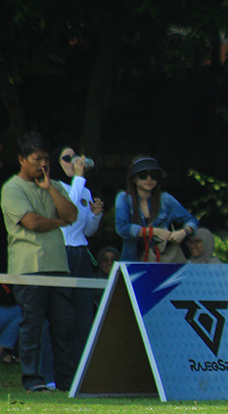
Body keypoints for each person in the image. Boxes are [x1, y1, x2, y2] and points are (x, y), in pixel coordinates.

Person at [0, 131, 78, 392]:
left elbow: (72, 215)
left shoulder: (52, 185)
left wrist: (50, 190)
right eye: (37, 159)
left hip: (58, 265)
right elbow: (31, 222)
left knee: (64, 326)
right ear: (22, 159)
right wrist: (59, 222)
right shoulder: (12, 188)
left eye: (46, 159)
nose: (43, 164)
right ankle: (32, 379)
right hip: (28, 268)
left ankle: (66, 380)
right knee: (32, 325)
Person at [55, 146, 104, 361]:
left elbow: (87, 230)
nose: (73, 162)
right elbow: (68, 212)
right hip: (63, 250)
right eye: (67, 158)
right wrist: (78, 177)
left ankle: (82, 363)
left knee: (84, 310)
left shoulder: (83, 189)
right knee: (64, 312)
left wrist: (95, 216)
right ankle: (63, 365)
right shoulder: (55, 187)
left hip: (82, 251)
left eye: (75, 158)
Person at [115, 156, 197, 262]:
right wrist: (154, 232)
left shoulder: (165, 199)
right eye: (143, 175)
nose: (149, 179)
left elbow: (192, 220)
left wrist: (183, 232)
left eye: (153, 175)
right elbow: (122, 228)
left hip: (162, 262)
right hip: (132, 262)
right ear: (134, 178)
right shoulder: (124, 198)